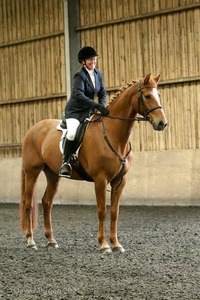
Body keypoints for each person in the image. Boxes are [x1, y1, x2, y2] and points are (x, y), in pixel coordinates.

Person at [59, 46, 110, 178]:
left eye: (94, 59)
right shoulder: (79, 75)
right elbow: (78, 94)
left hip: (89, 111)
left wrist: (102, 106)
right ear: (83, 61)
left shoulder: (98, 74)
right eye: (90, 59)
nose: (93, 61)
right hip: (75, 112)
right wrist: (96, 105)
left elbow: (102, 92)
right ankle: (66, 163)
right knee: (71, 133)